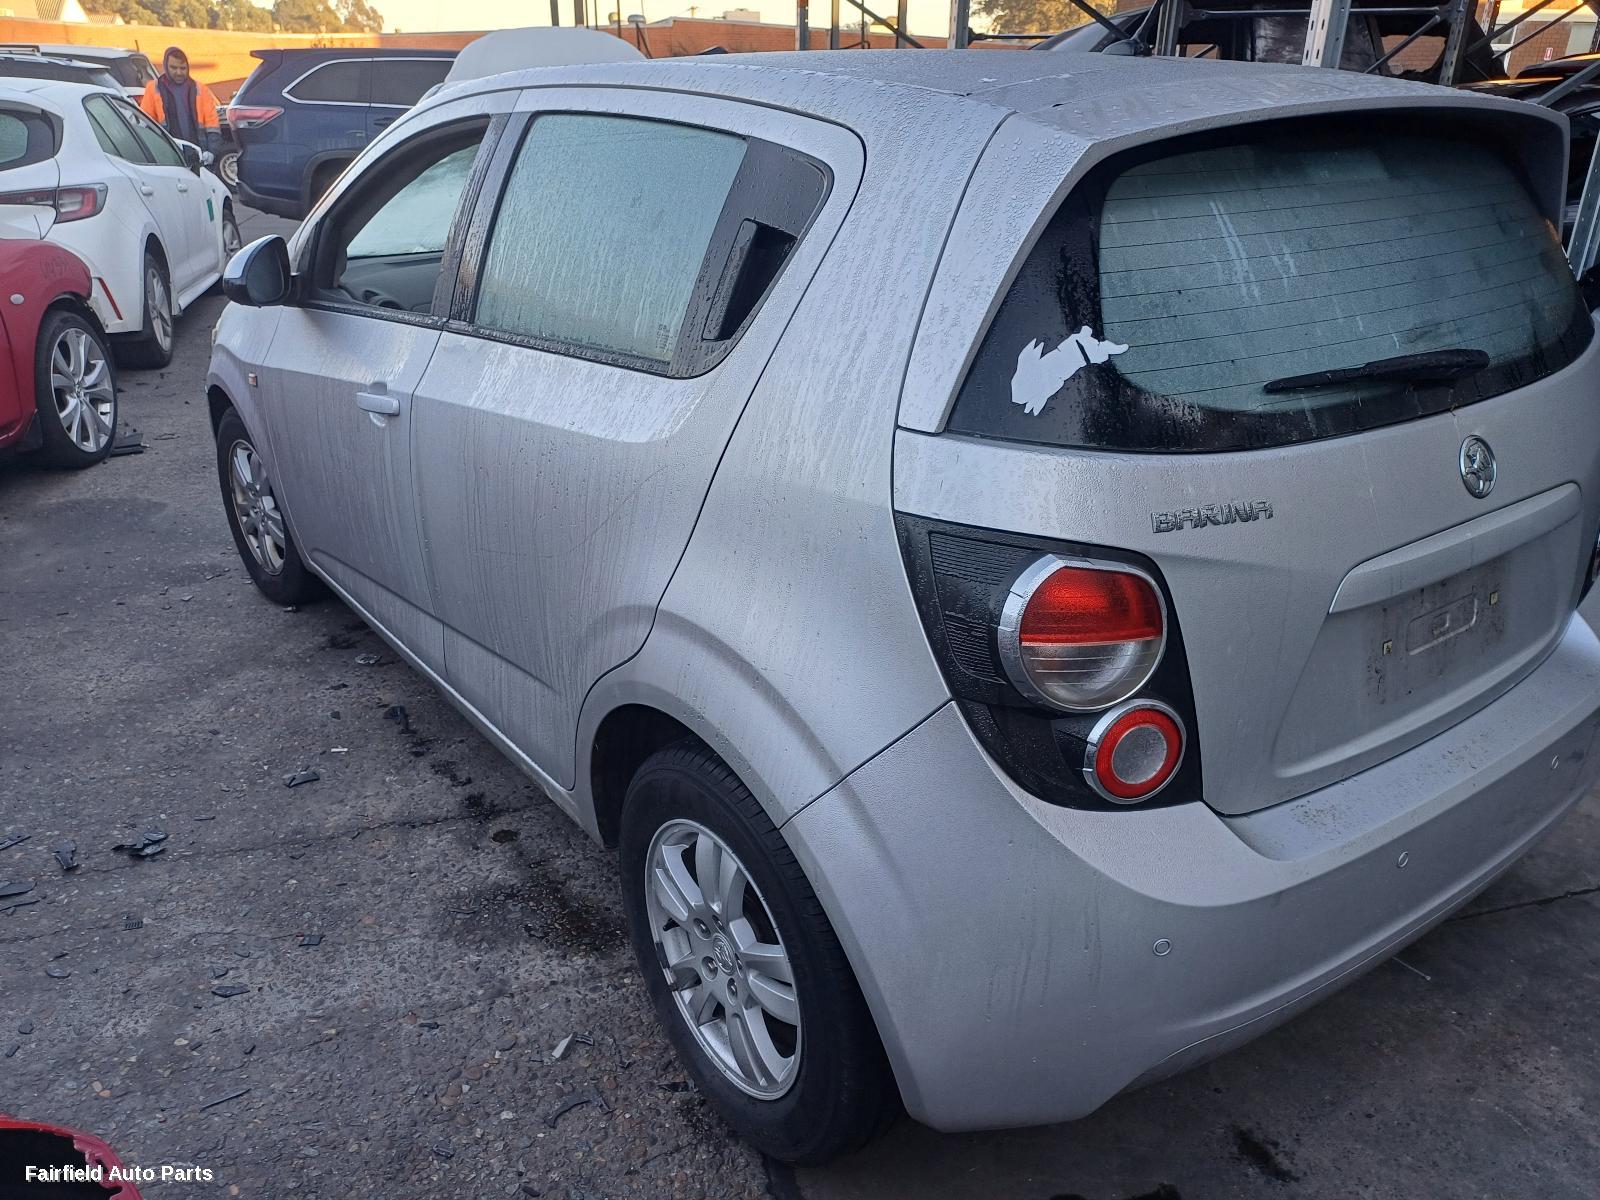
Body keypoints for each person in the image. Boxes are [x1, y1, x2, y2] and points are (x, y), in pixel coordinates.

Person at [139, 46, 222, 160]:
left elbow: (212, 126)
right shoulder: (153, 88)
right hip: (167, 154)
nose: (178, 72)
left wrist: (212, 151)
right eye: (174, 67)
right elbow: (146, 124)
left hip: (198, 154)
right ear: (165, 66)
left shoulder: (201, 90)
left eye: (182, 68)